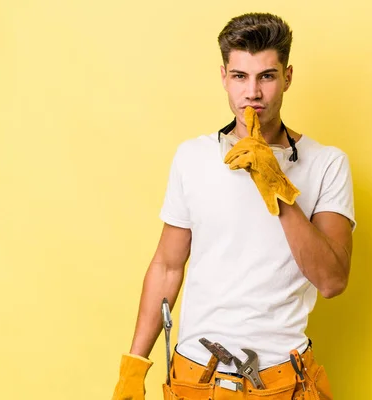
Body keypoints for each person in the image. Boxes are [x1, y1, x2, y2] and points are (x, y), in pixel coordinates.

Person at [111, 12, 356, 400]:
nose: (253, 93)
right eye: (240, 76)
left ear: (287, 77)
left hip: (282, 381)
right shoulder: (193, 157)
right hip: (196, 378)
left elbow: (332, 281)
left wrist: (277, 186)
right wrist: (133, 366)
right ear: (224, 77)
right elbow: (167, 266)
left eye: (267, 76)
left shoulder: (327, 163)